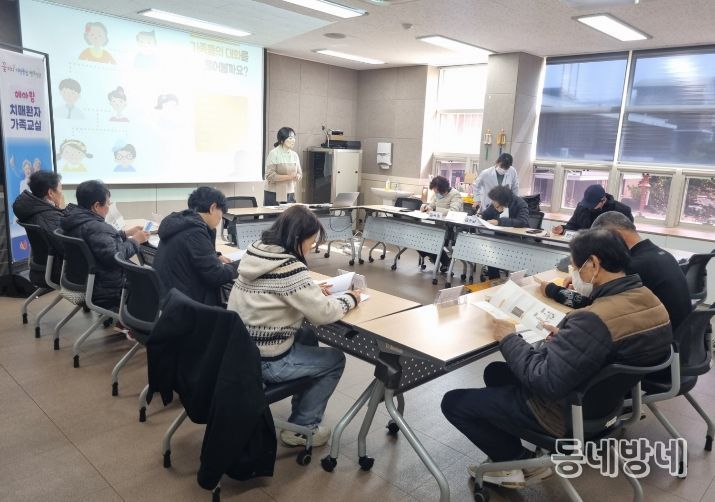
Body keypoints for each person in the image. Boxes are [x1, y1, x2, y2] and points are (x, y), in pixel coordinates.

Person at [441, 228, 672, 489]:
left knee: (454, 402)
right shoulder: (651, 301)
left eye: (576, 267)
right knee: (496, 371)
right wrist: (568, 340)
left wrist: (508, 338)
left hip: (563, 415)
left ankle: (517, 461)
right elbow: (610, 348)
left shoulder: (594, 319)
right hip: (607, 406)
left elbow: (544, 380)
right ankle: (508, 451)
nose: (574, 275)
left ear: (594, 264)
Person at [227, 205, 361, 447]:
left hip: (239, 352)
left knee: (307, 335)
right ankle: (302, 428)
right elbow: (323, 313)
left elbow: (273, 289)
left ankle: (300, 413)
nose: (311, 248)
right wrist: (351, 298)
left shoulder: (257, 252)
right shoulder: (289, 267)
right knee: (334, 360)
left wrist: (310, 289)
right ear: (297, 238)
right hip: (268, 361)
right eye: (311, 242)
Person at [541, 211, 692, 330]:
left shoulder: (633, 267)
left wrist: (553, 291)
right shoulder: (659, 255)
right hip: (671, 338)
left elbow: (595, 308)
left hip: (652, 344)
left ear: (615, 236)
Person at [60, 180, 148, 310]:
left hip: (82, 280)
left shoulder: (75, 220)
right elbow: (115, 257)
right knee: (149, 282)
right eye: (108, 203)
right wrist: (135, 241)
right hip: (105, 289)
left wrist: (125, 233)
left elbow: (99, 241)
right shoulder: (96, 227)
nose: (109, 207)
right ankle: (135, 318)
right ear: (96, 206)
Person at [154, 187, 239, 307]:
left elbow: (190, 251)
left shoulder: (182, 224)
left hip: (169, 298)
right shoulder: (194, 232)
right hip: (185, 306)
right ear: (213, 208)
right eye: (221, 212)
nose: (221, 218)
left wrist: (214, 256)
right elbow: (216, 275)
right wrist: (241, 264)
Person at [13, 171, 71, 281]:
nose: (62, 193)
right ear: (50, 193)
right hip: (58, 271)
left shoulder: (33, 210)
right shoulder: (50, 218)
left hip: (41, 268)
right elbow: (68, 249)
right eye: (60, 189)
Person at [552, 184, 633, 235]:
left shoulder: (622, 211)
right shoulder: (582, 207)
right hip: (585, 248)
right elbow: (573, 225)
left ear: (603, 200)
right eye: (587, 203)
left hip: (609, 252)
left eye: (592, 204)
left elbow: (628, 234)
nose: (588, 207)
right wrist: (563, 229)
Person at [420, 175, 463, 271]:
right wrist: (426, 207)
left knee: (430, 239)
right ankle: (439, 259)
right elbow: (432, 205)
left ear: (443, 189)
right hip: (438, 226)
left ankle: (443, 260)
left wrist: (435, 209)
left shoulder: (455, 195)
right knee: (419, 237)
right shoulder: (437, 194)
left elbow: (454, 211)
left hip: (450, 228)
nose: (436, 194)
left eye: (437, 191)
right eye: (435, 192)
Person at [264, 127, 302, 206]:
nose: (293, 140)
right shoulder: (274, 153)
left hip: (290, 193)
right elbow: (270, 176)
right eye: (290, 138)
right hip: (274, 194)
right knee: (274, 214)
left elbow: (299, 173)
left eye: (294, 138)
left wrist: (298, 176)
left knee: (291, 214)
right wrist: (290, 177)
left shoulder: (294, 155)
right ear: (282, 140)